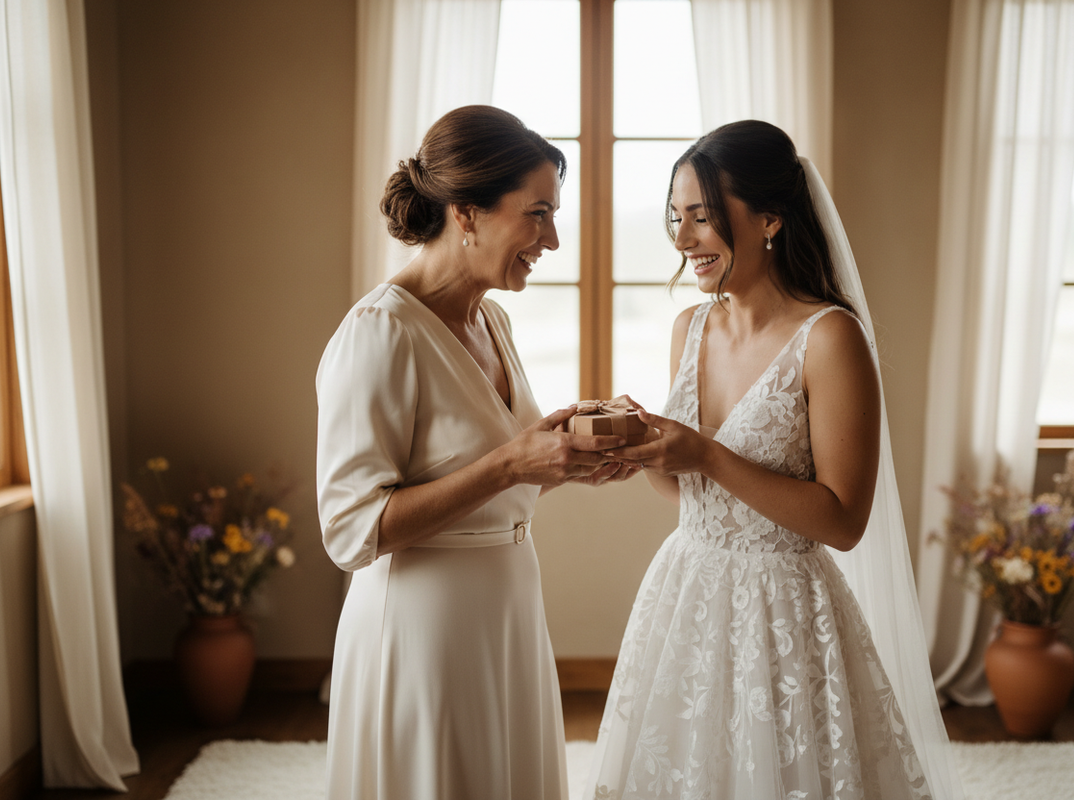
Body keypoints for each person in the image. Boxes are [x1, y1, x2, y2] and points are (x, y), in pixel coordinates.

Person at [585, 121, 964, 799]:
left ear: (769, 220)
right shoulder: (690, 328)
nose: (682, 239)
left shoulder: (830, 338)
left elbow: (843, 521)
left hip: (784, 613)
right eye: (677, 218)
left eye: (701, 218)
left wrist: (703, 451)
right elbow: (689, 498)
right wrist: (647, 447)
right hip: (686, 592)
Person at [315, 105, 636, 800]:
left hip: (508, 610)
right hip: (424, 632)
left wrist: (566, 462)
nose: (552, 238)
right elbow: (349, 532)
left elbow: (496, 477)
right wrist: (513, 464)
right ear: (466, 213)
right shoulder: (380, 334)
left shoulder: (491, 318)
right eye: (538, 213)